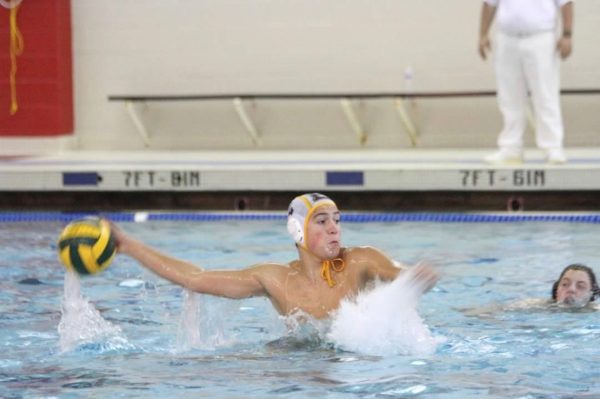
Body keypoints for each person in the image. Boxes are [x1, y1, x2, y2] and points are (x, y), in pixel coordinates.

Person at [109, 193, 439, 320]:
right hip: (292, 366)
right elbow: (193, 279)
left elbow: (400, 273)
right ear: (298, 231)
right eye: (322, 222)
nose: (335, 229)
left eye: (337, 220)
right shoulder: (275, 280)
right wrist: (127, 245)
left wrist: (415, 277)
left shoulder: (361, 261)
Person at [478, 0, 574, 164]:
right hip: (507, 37)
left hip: (541, 36)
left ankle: (552, 147)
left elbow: (566, 3)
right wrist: (483, 34)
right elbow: (489, 4)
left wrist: (567, 34)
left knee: (545, 94)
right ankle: (510, 148)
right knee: (509, 97)